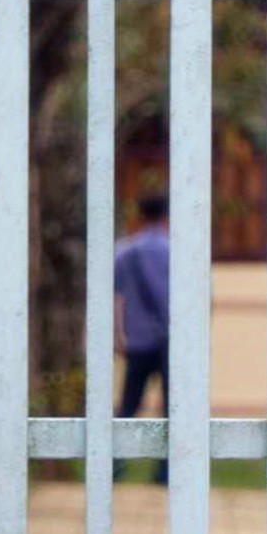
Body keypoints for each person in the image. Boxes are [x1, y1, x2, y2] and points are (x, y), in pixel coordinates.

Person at [114, 191, 170, 484]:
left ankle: (115, 463)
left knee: (128, 405)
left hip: (137, 339)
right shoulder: (176, 251)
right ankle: (165, 470)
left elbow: (116, 297)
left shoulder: (126, 251)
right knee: (172, 408)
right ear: (166, 216)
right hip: (171, 341)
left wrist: (117, 336)